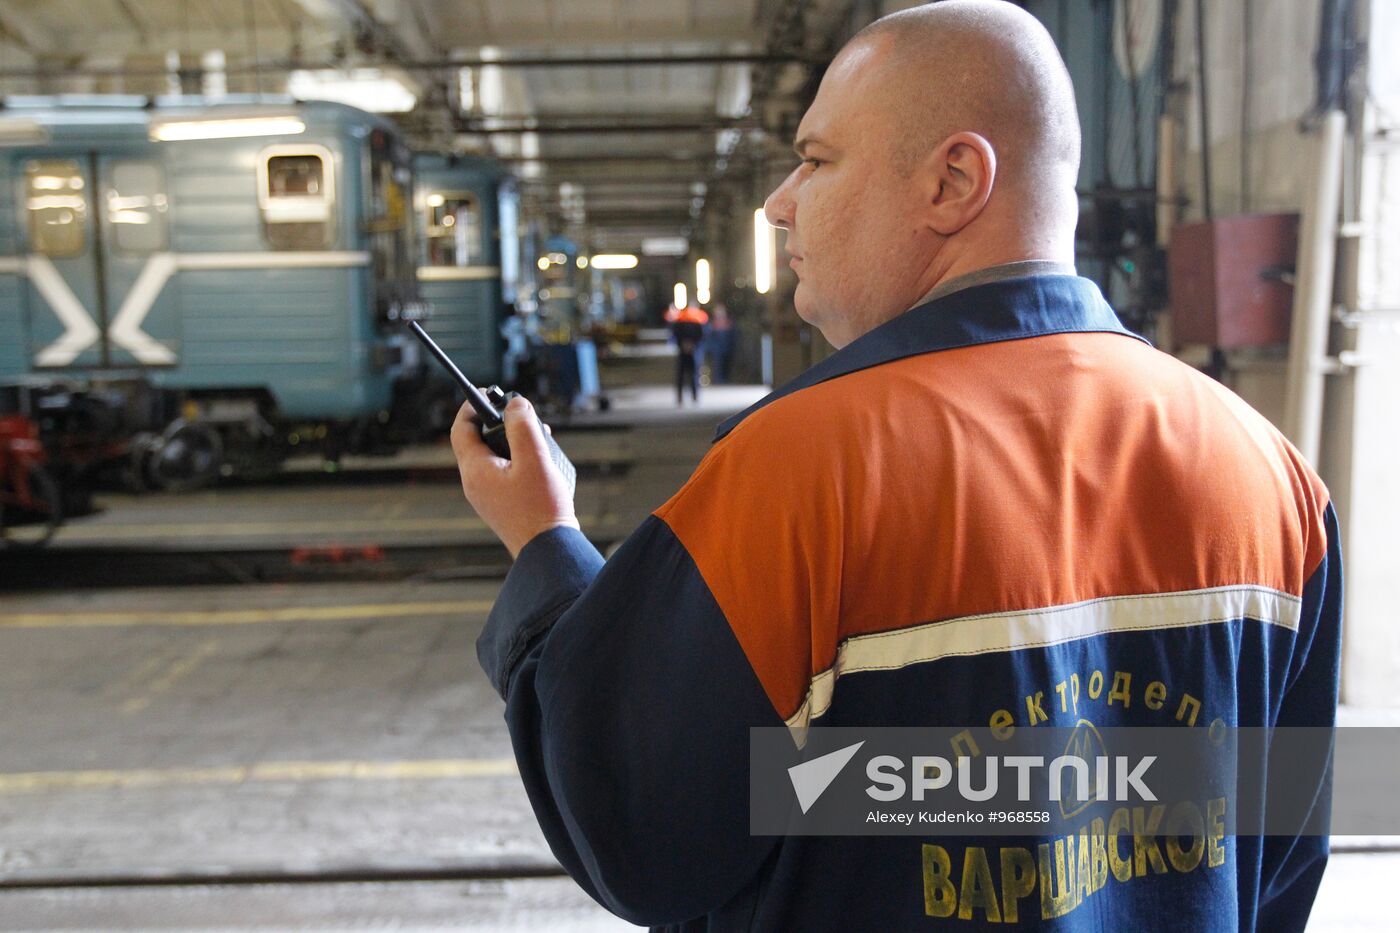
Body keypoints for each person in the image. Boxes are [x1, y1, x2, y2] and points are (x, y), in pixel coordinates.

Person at [449, 2, 1342, 930]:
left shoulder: (801, 463)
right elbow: (1278, 859)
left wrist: (545, 546)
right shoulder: (1271, 476)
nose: (780, 200)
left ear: (953, 181)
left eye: (818, 158)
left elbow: (640, 828)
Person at [665, 300, 709, 405]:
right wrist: (685, 345)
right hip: (686, 350)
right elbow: (676, 334)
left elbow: (701, 335)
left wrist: (691, 345)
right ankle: (683, 396)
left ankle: (692, 395)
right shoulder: (683, 320)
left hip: (691, 350)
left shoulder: (695, 319)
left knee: (691, 373)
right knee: (684, 374)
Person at [706, 302, 736, 384]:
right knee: (717, 366)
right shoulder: (712, 323)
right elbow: (708, 337)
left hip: (727, 349)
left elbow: (733, 336)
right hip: (716, 350)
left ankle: (726, 381)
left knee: (726, 366)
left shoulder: (728, 322)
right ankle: (718, 381)